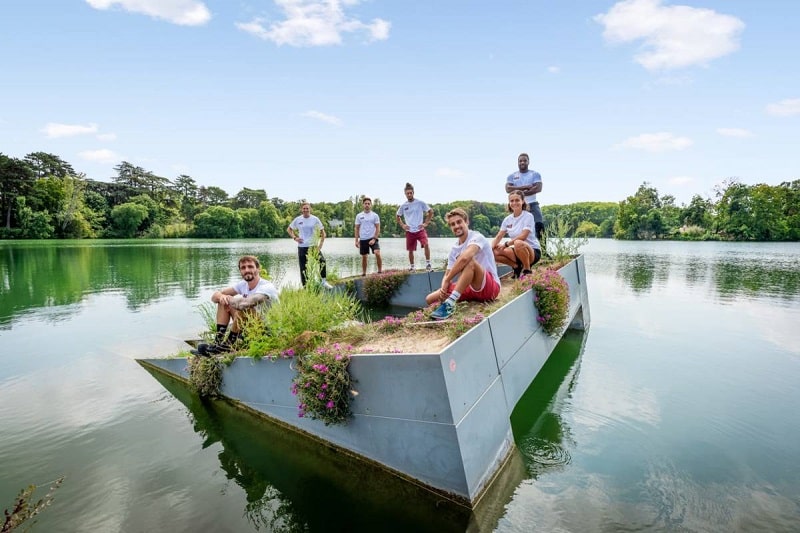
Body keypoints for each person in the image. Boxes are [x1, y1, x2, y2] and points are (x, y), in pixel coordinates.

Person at [192, 255, 279, 356]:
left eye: (250, 267)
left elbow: (246, 303)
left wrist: (229, 299)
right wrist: (222, 297)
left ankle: (228, 345)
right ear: (240, 271)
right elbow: (214, 297)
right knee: (223, 300)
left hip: (267, 331)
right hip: (250, 328)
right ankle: (218, 343)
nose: (247, 270)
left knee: (244, 307)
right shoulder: (243, 284)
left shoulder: (267, 287)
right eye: (243, 268)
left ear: (258, 269)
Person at [426, 208, 501, 320]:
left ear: (467, 222)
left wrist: (448, 279)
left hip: (489, 287)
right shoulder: (454, 249)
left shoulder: (477, 237)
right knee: (430, 299)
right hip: (469, 287)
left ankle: (450, 304)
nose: (456, 226)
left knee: (469, 261)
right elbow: (447, 274)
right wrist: (444, 287)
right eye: (452, 224)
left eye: (459, 222)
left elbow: (465, 258)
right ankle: (446, 304)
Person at [491, 191, 542, 278]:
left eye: (517, 200)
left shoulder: (528, 216)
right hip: (517, 251)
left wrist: (506, 244)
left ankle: (527, 270)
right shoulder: (507, 220)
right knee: (494, 251)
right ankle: (516, 267)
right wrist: (488, 249)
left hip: (532, 251)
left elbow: (523, 236)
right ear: (509, 203)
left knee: (518, 242)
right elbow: (499, 236)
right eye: (512, 201)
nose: (514, 203)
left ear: (522, 201)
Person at [287, 203, 333, 289]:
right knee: (303, 268)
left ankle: (323, 282)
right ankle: (305, 287)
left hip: (313, 246)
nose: (305, 210)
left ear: (310, 209)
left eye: (307, 208)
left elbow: (323, 233)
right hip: (302, 247)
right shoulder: (298, 219)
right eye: (304, 208)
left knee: (322, 261)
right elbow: (289, 229)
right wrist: (295, 238)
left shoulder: (315, 219)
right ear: (301, 209)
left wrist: (320, 246)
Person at [505, 152, 545, 240]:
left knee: (539, 225)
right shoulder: (512, 176)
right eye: (520, 161)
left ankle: (543, 248)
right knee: (518, 229)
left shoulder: (535, 174)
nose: (522, 162)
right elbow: (508, 189)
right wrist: (525, 187)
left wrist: (516, 192)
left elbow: (538, 188)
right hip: (518, 206)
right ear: (518, 162)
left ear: (528, 162)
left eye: (525, 161)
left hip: (532, 204)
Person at [395, 182, 433, 272]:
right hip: (410, 231)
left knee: (426, 244)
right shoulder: (403, 206)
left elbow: (430, 211)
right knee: (410, 250)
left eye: (410, 193)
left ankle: (428, 264)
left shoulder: (420, 203)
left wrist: (426, 223)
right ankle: (412, 267)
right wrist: (403, 225)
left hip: (420, 229)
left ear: (413, 193)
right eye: (407, 193)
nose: (409, 194)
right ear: (405, 194)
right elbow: (397, 215)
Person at [355, 196, 382, 276]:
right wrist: (356, 241)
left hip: (373, 238)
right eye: (365, 203)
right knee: (364, 257)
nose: (367, 205)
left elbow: (378, 228)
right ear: (363, 205)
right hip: (363, 239)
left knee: (377, 253)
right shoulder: (359, 216)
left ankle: (380, 271)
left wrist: (374, 239)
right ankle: (364, 273)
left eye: (368, 204)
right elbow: (356, 228)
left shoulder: (375, 215)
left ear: (371, 205)